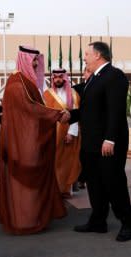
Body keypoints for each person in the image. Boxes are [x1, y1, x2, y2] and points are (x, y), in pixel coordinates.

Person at [68, 42, 131, 242]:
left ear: (98, 55)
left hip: (107, 144)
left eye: (87, 54)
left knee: (113, 184)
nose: (85, 58)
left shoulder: (114, 76)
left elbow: (116, 111)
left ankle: (128, 222)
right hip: (91, 144)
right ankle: (98, 221)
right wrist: (69, 115)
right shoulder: (94, 79)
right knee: (95, 185)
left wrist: (110, 139)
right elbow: (89, 111)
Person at [0, 45, 68, 235]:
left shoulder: (25, 82)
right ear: (24, 60)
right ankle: (25, 221)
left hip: (29, 139)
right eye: (33, 60)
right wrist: (57, 115)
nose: (36, 64)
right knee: (24, 181)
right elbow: (31, 108)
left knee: (31, 181)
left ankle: (35, 216)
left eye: (37, 60)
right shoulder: (17, 83)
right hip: (22, 143)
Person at [44, 68, 81, 198]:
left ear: (65, 78)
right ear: (53, 79)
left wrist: (71, 133)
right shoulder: (47, 94)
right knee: (53, 161)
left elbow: (76, 113)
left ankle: (66, 189)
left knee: (67, 161)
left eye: (60, 77)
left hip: (67, 132)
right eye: (56, 77)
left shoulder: (73, 93)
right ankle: (54, 190)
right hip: (51, 133)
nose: (58, 79)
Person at [72, 67, 92, 190]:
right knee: (81, 154)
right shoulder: (77, 89)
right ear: (84, 74)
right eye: (87, 71)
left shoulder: (100, 87)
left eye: (91, 71)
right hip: (80, 127)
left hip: (95, 128)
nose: (89, 74)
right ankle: (81, 179)